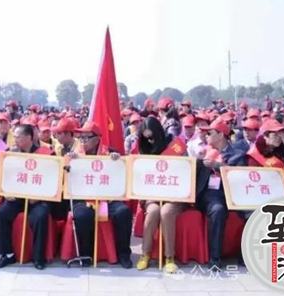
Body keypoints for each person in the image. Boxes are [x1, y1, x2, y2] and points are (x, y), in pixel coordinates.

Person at [68, 121, 133, 268]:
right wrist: (70, 161)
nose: (83, 141)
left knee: (123, 212)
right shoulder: (75, 154)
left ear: (97, 138)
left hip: (107, 199)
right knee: (82, 215)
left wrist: (117, 162)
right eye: (81, 137)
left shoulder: (110, 153)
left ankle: (123, 254)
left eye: (86, 137)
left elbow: (120, 175)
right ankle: (86, 255)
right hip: (84, 198)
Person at [0, 125, 52, 270]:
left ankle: (38, 257)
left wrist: (40, 196)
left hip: (38, 198)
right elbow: (4, 177)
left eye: (18, 137)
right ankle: (8, 254)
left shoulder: (47, 154)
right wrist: (6, 192)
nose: (15, 139)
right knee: (2, 214)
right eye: (14, 136)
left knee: (40, 216)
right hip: (17, 197)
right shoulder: (10, 154)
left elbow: (52, 179)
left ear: (29, 137)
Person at [135, 117, 185, 273]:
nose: (149, 141)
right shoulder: (144, 150)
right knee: (153, 211)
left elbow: (187, 170)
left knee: (166, 212)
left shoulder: (174, 146)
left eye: (151, 137)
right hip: (152, 194)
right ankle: (145, 254)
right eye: (146, 138)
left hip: (174, 194)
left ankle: (169, 257)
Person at [195, 119, 246, 269]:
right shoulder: (205, 152)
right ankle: (215, 258)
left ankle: (246, 255)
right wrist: (198, 161)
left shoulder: (238, 155)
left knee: (255, 213)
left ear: (221, 135)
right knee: (218, 210)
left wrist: (218, 166)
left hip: (233, 194)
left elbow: (239, 176)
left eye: (209, 133)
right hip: (211, 194)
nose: (206, 136)